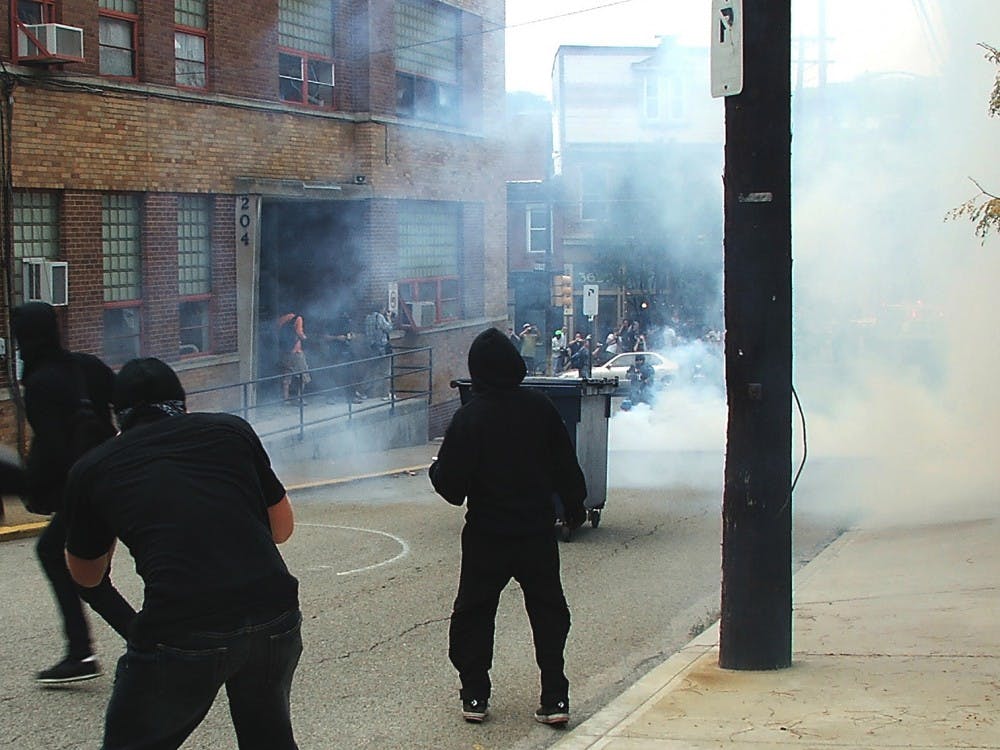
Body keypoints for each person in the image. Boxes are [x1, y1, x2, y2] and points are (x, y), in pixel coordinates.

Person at [63, 357, 302, 750]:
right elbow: (282, 530)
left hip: (183, 626)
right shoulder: (231, 431)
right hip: (274, 613)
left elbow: (86, 575)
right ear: (182, 401)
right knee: (268, 738)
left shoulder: (94, 468)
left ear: (117, 415)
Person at [429, 327, 587, 727]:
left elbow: (451, 489)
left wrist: (435, 469)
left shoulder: (470, 418)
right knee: (549, 612)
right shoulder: (542, 408)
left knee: (474, 613)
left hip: (487, 535)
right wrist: (574, 507)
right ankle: (554, 696)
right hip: (536, 531)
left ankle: (475, 694)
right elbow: (566, 465)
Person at [11, 302, 137, 685]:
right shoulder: (87, 366)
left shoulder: (39, 383)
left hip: (85, 489)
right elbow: (128, 406)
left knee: (70, 564)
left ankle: (117, 646)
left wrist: (35, 488)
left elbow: (52, 447)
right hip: (114, 475)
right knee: (78, 566)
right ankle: (126, 643)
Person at [277, 312, 310, 404]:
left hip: (285, 352)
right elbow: (299, 332)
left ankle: (285, 398)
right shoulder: (298, 318)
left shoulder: (282, 318)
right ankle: (300, 397)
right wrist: (306, 338)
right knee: (303, 374)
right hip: (296, 351)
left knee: (287, 374)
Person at [364, 306, 395, 399]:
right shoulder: (380, 317)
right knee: (386, 371)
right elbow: (389, 328)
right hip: (383, 348)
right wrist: (389, 318)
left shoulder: (367, 318)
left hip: (372, 348)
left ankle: (363, 391)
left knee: (371, 371)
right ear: (381, 309)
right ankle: (386, 394)